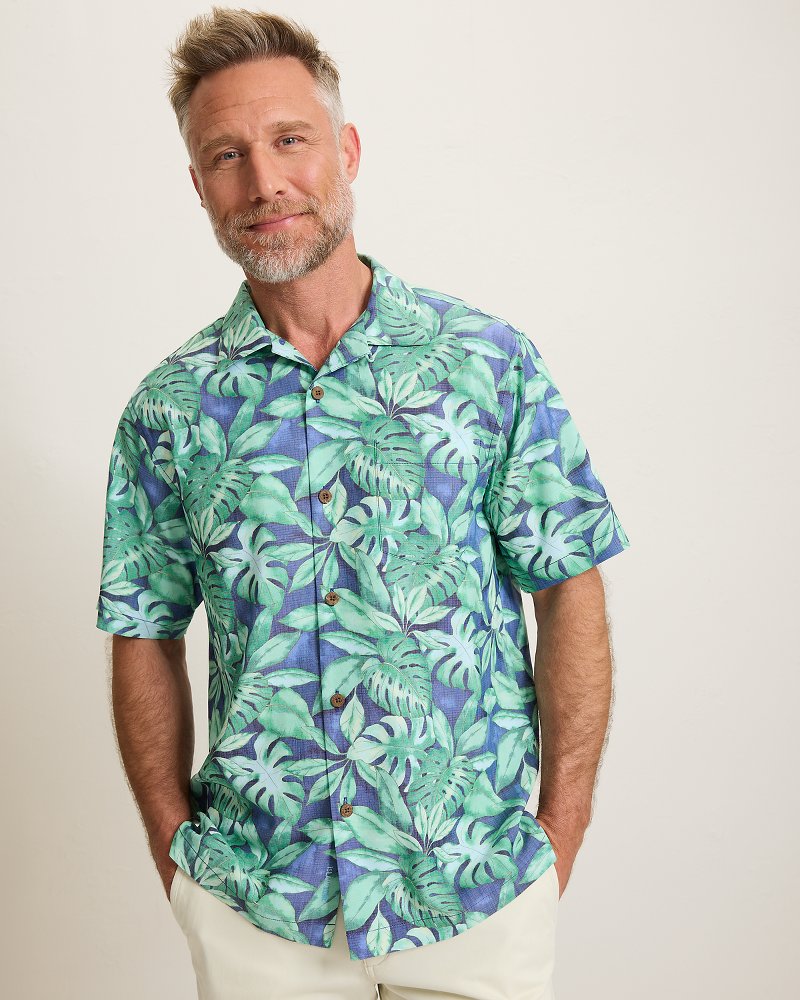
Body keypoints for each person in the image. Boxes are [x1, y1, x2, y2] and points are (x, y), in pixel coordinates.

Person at [95, 8, 631, 999]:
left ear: (345, 150)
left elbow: (568, 585)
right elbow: (142, 630)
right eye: (226, 156)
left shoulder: (486, 364)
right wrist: (179, 860)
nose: (263, 182)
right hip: (258, 904)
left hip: (474, 886)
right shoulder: (168, 410)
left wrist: (558, 835)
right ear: (197, 185)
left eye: (288, 140)